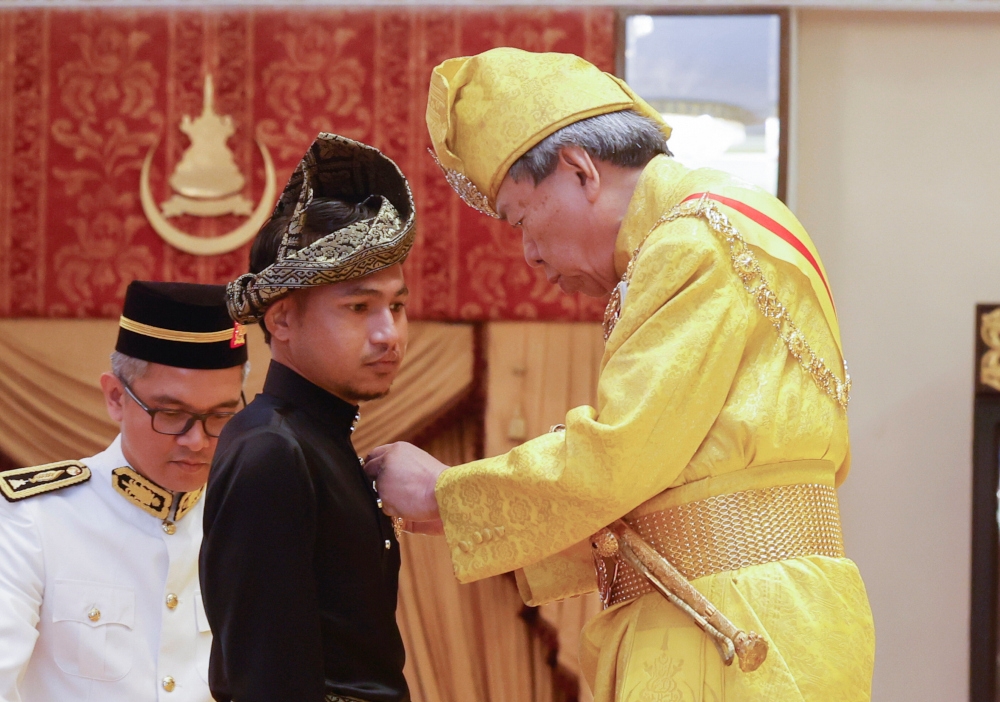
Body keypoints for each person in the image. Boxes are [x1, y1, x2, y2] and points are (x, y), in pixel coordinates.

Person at [365, 48, 875, 701]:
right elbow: (678, 496)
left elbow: (620, 456)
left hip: (726, 631)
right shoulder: (726, 220)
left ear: (580, 171)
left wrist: (447, 494)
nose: (529, 255)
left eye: (523, 219)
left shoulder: (691, 241)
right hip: (754, 614)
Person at [200, 133, 415, 702]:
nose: (388, 333)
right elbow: (265, 684)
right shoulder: (272, 449)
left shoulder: (315, 439)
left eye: (396, 306)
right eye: (358, 307)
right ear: (283, 321)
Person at [0, 280, 249, 702]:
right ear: (116, 397)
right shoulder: (30, 520)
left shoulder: (252, 523)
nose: (197, 440)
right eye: (172, 414)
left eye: (221, 416)